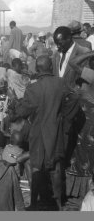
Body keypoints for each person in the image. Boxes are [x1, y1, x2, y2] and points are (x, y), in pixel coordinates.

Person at [11, 55, 79, 210]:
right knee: (56, 169)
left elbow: (22, 112)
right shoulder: (61, 83)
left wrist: (15, 101)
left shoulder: (33, 88)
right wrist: (66, 117)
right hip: (57, 131)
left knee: (37, 168)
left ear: (37, 69)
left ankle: (35, 202)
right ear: (51, 68)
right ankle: (59, 203)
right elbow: (75, 97)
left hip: (39, 134)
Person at [63, 50, 94, 210]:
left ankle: (81, 194)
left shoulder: (91, 75)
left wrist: (90, 52)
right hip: (86, 121)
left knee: (81, 154)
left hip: (87, 121)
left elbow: (73, 62)